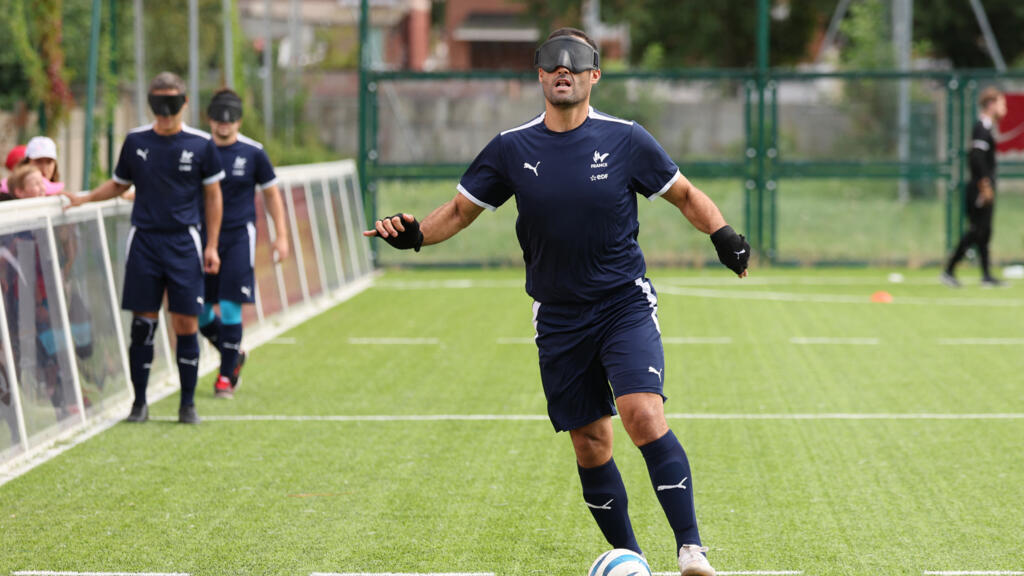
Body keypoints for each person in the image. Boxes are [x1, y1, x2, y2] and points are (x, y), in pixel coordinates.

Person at [365, 28, 748, 576]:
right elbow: (459, 211)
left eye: (577, 61)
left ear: (595, 74)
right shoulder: (511, 148)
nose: (563, 68)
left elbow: (683, 194)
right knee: (591, 442)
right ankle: (629, 559)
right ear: (540, 75)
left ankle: (691, 549)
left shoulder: (626, 138)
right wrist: (415, 235)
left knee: (642, 413)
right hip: (558, 315)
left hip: (622, 303)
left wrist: (723, 234)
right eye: (552, 61)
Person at [64, 71, 224, 424]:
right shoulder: (136, 141)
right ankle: (139, 403)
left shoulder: (201, 145)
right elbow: (120, 184)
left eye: (171, 103)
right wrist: (85, 198)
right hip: (145, 242)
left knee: (185, 321)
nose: (164, 112)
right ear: (149, 104)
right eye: (157, 104)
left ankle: (187, 404)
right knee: (142, 324)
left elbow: (213, 197)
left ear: (184, 103)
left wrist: (211, 246)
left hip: (184, 242)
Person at [200, 88, 289, 399]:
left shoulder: (254, 153)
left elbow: (271, 195)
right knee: (198, 310)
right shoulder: (199, 149)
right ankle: (232, 354)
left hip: (239, 236)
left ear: (238, 121)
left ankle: (225, 377)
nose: (224, 125)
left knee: (229, 305)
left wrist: (282, 236)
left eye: (231, 119)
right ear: (209, 119)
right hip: (201, 238)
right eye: (219, 119)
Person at [942, 87, 1008, 288]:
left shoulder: (987, 128)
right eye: (1001, 103)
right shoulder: (981, 127)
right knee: (976, 231)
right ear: (991, 104)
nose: (1004, 108)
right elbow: (976, 158)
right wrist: (984, 183)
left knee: (985, 231)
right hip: (979, 188)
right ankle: (949, 270)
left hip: (984, 186)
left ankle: (986, 275)